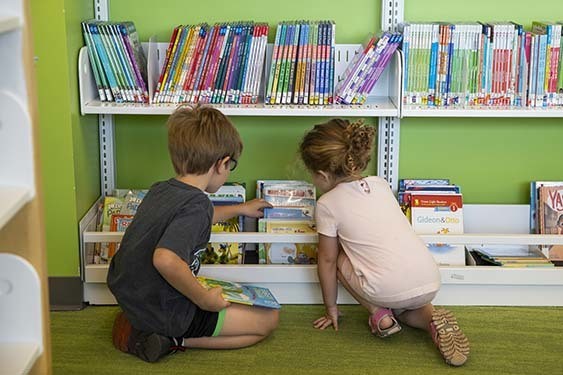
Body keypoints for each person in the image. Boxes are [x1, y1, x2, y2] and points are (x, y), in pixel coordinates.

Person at [108, 105, 279, 363]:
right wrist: (204, 300)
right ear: (221, 164)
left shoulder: (163, 189)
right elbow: (165, 259)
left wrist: (241, 209)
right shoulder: (196, 204)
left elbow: (198, 218)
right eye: (231, 164)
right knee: (268, 320)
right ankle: (168, 338)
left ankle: (139, 322)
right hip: (166, 308)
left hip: (135, 296)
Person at [299, 118, 469, 367]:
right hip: (429, 279)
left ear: (323, 175)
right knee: (405, 302)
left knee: (337, 257)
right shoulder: (381, 184)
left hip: (384, 287)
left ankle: (378, 313)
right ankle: (431, 319)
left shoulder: (327, 204)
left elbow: (326, 260)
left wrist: (331, 308)